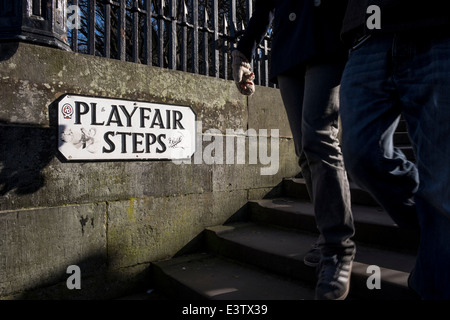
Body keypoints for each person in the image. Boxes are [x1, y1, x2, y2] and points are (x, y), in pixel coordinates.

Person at [232, 0, 354, 300]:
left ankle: (338, 248)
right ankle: (327, 234)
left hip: (328, 35)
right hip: (288, 50)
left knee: (319, 140)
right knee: (304, 152)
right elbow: (264, 6)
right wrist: (243, 52)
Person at [340, 0, 450, 299]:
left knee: (441, 187)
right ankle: (435, 233)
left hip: (439, 29)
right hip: (368, 34)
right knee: (360, 153)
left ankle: (430, 285)